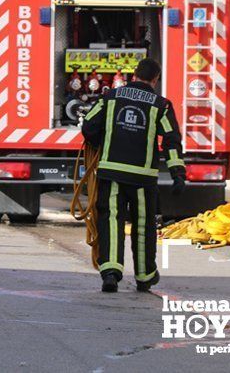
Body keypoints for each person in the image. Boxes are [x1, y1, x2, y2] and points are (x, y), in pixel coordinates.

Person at [82, 58, 186, 293]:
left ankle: (110, 272)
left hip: (112, 173)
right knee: (143, 226)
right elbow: (171, 140)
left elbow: (89, 125)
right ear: (155, 79)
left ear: (134, 75)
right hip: (143, 178)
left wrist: (102, 143)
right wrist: (177, 172)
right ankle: (145, 275)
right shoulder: (162, 105)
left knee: (110, 221)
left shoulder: (109, 97)